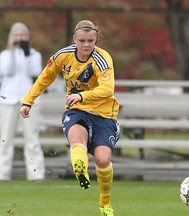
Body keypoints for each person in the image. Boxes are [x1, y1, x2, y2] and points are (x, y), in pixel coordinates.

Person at [20, 20, 119, 216]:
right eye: (82, 40)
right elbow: (45, 78)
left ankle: (104, 204)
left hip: (103, 114)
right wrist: (27, 101)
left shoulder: (102, 59)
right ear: (74, 39)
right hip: (77, 110)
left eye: (91, 40)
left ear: (95, 40)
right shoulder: (62, 56)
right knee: (77, 139)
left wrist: (82, 95)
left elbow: (108, 89)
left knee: (102, 159)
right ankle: (80, 168)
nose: (86, 45)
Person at [0, 22, 45, 181]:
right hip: (8, 100)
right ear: (11, 37)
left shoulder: (34, 54)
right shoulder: (5, 55)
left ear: (27, 37)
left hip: (29, 100)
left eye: (22, 35)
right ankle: (2, 174)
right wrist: (12, 52)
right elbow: (6, 71)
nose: (19, 38)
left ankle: (36, 174)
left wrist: (26, 54)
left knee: (31, 139)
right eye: (16, 35)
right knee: (5, 138)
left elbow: (34, 72)